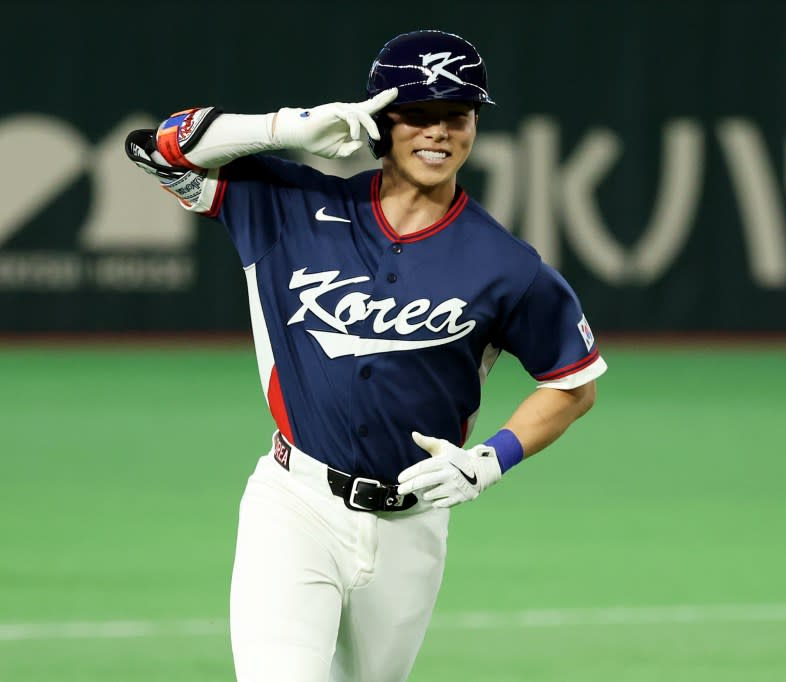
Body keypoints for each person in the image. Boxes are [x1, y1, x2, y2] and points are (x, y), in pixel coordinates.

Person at [125, 29, 607, 682]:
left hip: (413, 527)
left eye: (456, 116)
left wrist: (492, 460)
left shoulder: (507, 266)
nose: (438, 132)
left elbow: (573, 384)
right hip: (294, 506)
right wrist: (291, 127)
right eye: (416, 113)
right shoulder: (287, 205)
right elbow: (160, 150)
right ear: (379, 119)